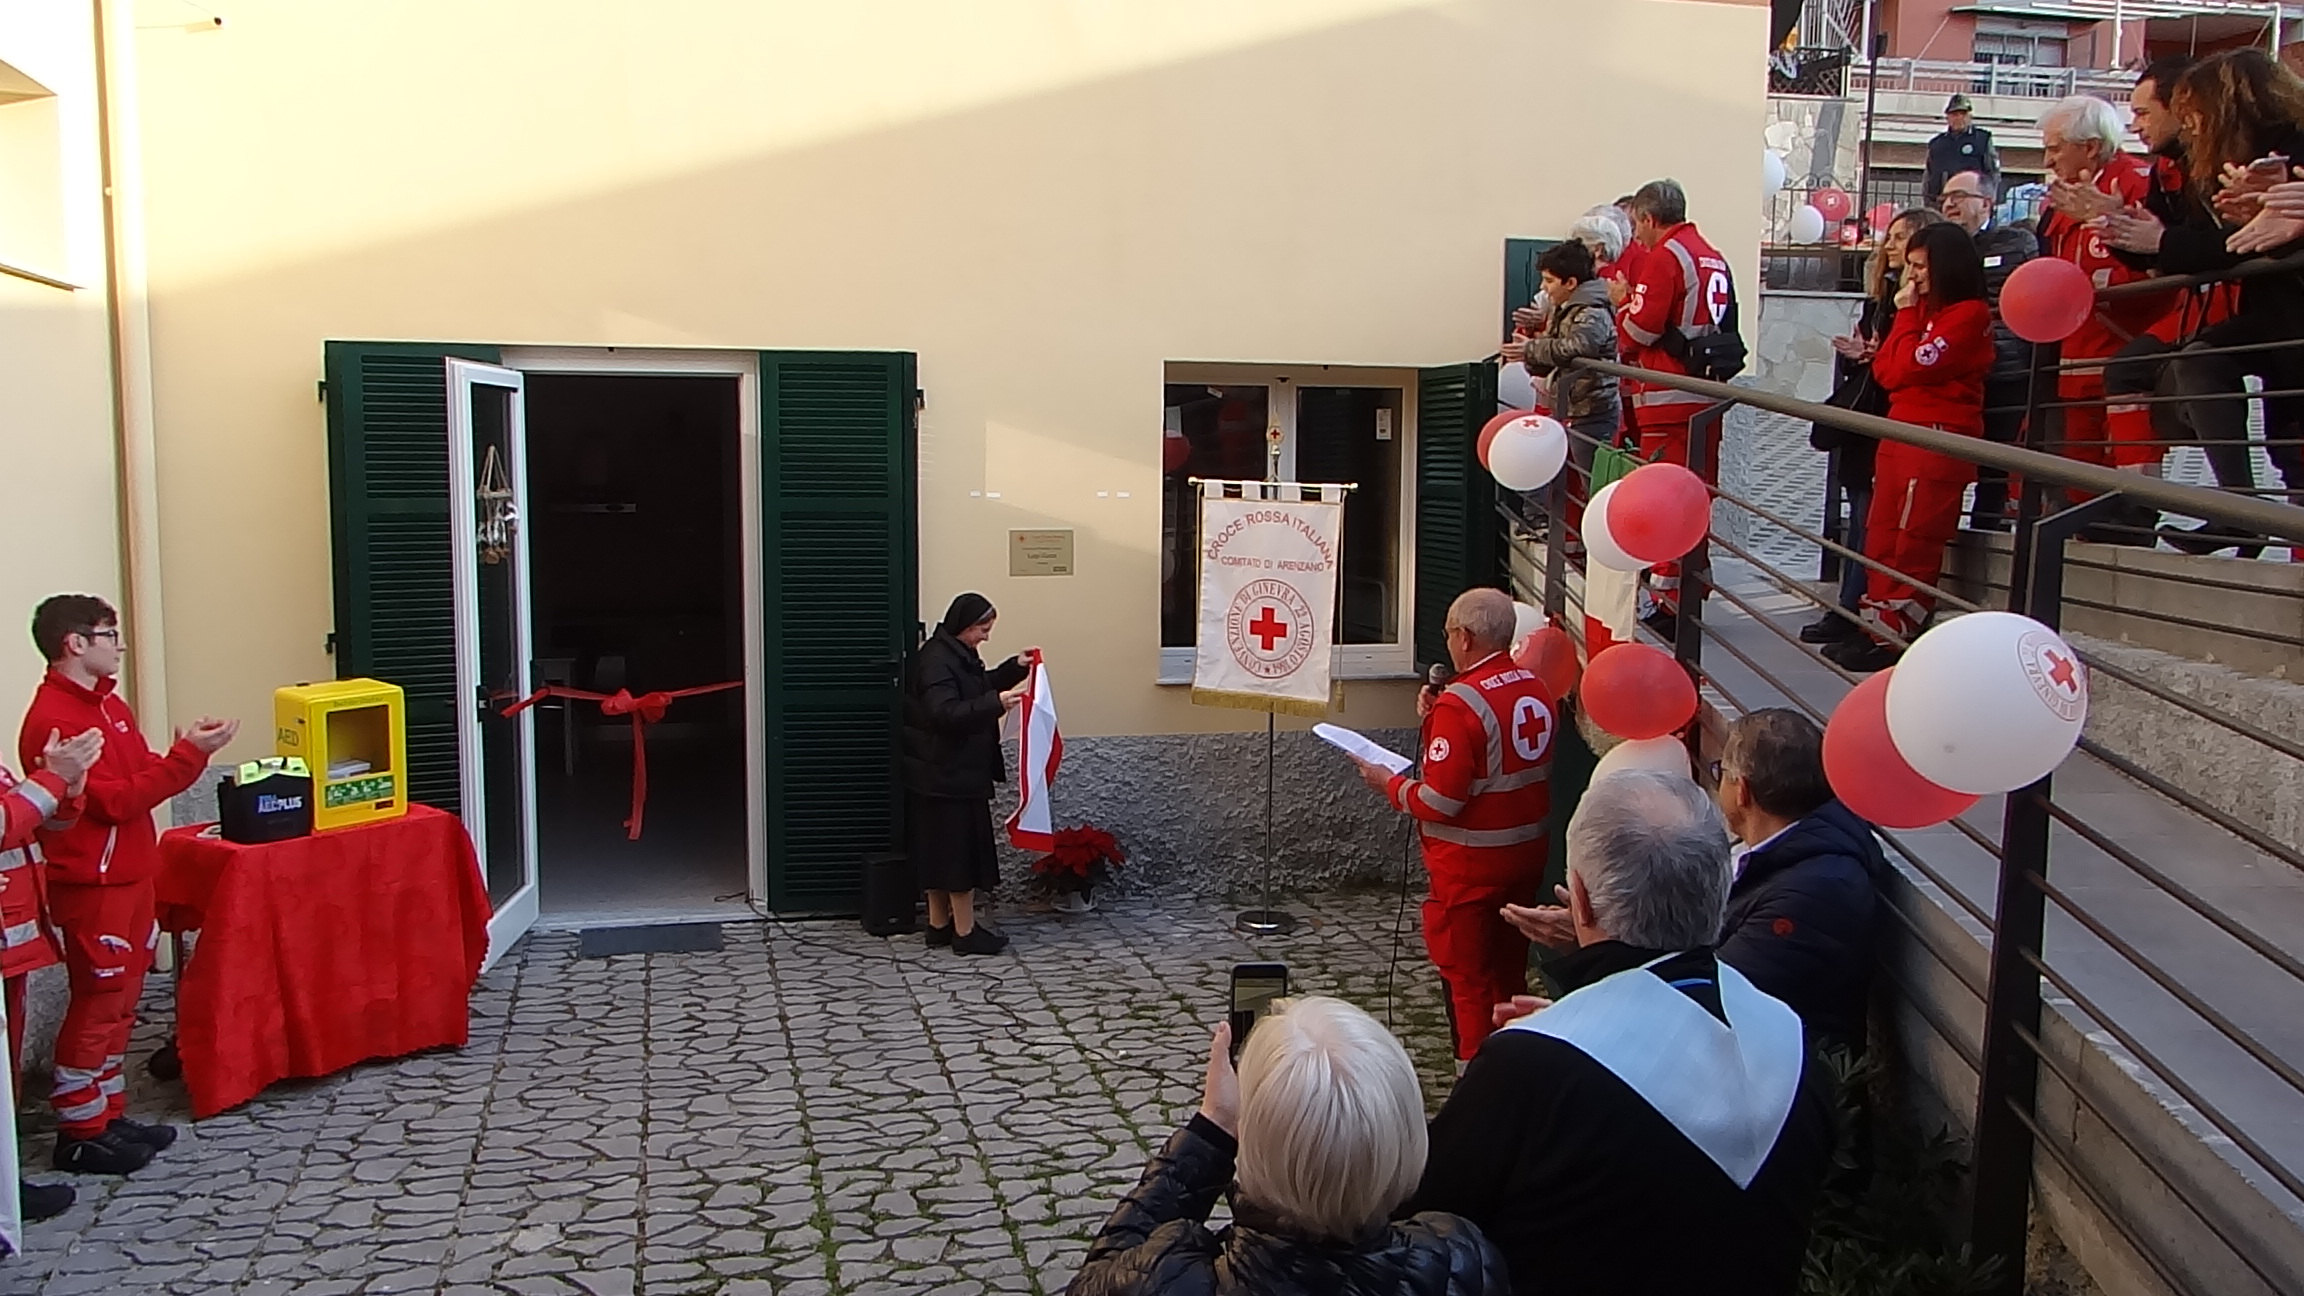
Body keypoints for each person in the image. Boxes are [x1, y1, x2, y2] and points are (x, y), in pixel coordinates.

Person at [1407, 770, 1835, 1296]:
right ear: (1720, 888)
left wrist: (1555, 1044)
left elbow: (1426, 1222)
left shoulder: (1529, 1069)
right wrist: (1572, 1027)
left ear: (1579, 900)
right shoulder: (1790, 1042)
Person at [1066, 997, 1508, 1295]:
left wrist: (1213, 1128)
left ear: (1252, 1146)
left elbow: (1097, 1279)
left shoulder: (1173, 1276)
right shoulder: (1459, 1261)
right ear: (1408, 1137)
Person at [18, 595, 235, 1174]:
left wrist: (185, 754)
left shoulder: (109, 706)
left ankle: (106, 1113)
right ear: (75, 643)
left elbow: (140, 777)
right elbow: (115, 801)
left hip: (132, 875)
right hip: (94, 886)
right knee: (99, 1002)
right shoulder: (56, 717)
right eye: (109, 634)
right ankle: (79, 1130)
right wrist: (189, 758)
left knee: (122, 1006)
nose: (119, 645)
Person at [1351, 588, 1552, 1064]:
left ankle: (1474, 1077)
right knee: (1510, 972)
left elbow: (1441, 799)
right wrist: (1437, 717)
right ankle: (1517, 1062)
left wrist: (1390, 785)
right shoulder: (1535, 686)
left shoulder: (1460, 706)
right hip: (1526, 854)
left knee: (1468, 979)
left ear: (1463, 637)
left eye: (1447, 633)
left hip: (1469, 867)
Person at [1827, 224, 1994, 673]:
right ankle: (1874, 626)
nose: (1912, 277)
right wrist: (1907, 321)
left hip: (1937, 437)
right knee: (1882, 533)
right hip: (1902, 432)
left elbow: (1908, 367)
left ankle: (1895, 633)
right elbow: (1887, 371)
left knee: (1912, 538)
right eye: (1912, 266)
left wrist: (1904, 320)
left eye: (1921, 267)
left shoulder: (1968, 314)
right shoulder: (1922, 313)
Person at [2098, 55, 2244, 520]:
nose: (2135, 125)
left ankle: (2237, 514)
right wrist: (2119, 230)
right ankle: (2148, 503)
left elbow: (2226, 243)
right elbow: (2160, 252)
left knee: (2194, 369)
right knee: (2138, 371)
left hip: (2243, 301)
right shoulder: (2166, 169)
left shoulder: (2229, 155)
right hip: (2210, 303)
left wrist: (2158, 241)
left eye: (2143, 112)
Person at [1804, 208, 1945, 646]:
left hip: (1893, 418)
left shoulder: (1922, 305)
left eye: (1901, 238)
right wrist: (1861, 354)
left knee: (1875, 521)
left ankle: (1861, 611)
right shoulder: (1883, 298)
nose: (1891, 246)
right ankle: (1854, 607)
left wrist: (1877, 355)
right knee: (1864, 516)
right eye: (1891, 237)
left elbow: (1906, 361)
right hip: (1870, 417)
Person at [1712, 709, 1886, 1054]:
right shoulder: (1775, 854)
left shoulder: (1816, 890)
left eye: (1721, 772)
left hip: (1779, 1084)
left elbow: (1718, 999)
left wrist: (1605, 951)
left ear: (1742, 790)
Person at [2036, 93, 2164, 535]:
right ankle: (2085, 526)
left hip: (2122, 344)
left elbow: (2156, 263)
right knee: (2080, 462)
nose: (2048, 159)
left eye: (2055, 148)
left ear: (2090, 146)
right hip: (2075, 349)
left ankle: (2137, 523)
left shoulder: (2136, 184)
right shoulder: (2060, 200)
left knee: (2130, 452)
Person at [1614, 178, 1736, 638]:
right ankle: (1690, 590)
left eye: (1636, 226)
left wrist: (1623, 305)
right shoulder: (1709, 252)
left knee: (1667, 500)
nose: (1636, 237)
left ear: (1648, 218)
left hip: (1669, 398)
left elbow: (1639, 332)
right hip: (1704, 393)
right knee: (1696, 496)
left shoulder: (1666, 256)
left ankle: (1669, 601)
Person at [2, 725, 103, 1221]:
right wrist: (51, 779)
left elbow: (36, 825)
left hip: (12, 943)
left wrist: (67, 788)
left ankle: (6, 1183)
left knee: (6, 1074)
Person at [901, 593, 1032, 956]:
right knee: (958, 855)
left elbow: (975, 686)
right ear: (965, 625)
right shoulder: (936, 663)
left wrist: (1014, 668)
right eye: (983, 630)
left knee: (937, 852)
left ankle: (938, 926)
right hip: (948, 775)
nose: (986, 637)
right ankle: (965, 932)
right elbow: (944, 713)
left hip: (943, 773)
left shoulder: (952, 654)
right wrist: (997, 703)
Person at [1938, 169, 2038, 529]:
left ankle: (1987, 525)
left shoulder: (2011, 243)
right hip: (1956, 370)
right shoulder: (1939, 244)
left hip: (2005, 367)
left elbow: (2000, 290)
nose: (1950, 204)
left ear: (1987, 202)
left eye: (1959, 196)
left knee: (1995, 456)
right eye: (1945, 198)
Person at [1505, 239, 1621, 532]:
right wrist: (1533, 354)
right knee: (1578, 482)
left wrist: (1532, 350)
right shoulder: (1569, 307)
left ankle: (1605, 546)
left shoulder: (1591, 310)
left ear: (1570, 282)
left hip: (1591, 410)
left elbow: (1578, 346)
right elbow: (1555, 350)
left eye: (1548, 281)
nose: (1544, 288)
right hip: (1575, 407)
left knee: (1593, 485)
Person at [1925, 94, 2002, 207]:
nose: (1959, 118)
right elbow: (1928, 175)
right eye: (1955, 114)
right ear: (1948, 117)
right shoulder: (1937, 144)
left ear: (1970, 116)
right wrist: (1928, 202)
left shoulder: (1982, 139)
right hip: (1941, 202)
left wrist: (1990, 199)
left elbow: (1993, 172)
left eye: (1963, 114)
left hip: (1971, 201)